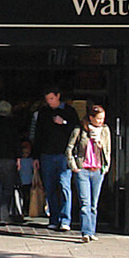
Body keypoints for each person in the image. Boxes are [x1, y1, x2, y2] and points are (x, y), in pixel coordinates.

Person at [29, 89, 82, 233]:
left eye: (52, 99)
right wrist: (36, 156)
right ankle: (54, 218)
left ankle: (65, 220)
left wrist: (63, 123)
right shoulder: (43, 113)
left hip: (64, 155)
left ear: (58, 96)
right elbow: (38, 135)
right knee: (50, 188)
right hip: (46, 154)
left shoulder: (69, 111)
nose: (49, 102)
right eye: (47, 99)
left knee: (65, 187)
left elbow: (77, 131)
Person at [67, 104, 114, 242]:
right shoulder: (80, 129)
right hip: (83, 169)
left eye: (102, 118)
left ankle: (92, 230)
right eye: (98, 118)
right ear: (91, 118)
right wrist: (74, 166)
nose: (101, 121)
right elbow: (70, 148)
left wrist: (106, 166)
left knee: (94, 203)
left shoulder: (105, 130)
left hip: (98, 170)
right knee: (85, 202)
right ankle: (85, 232)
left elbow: (108, 150)